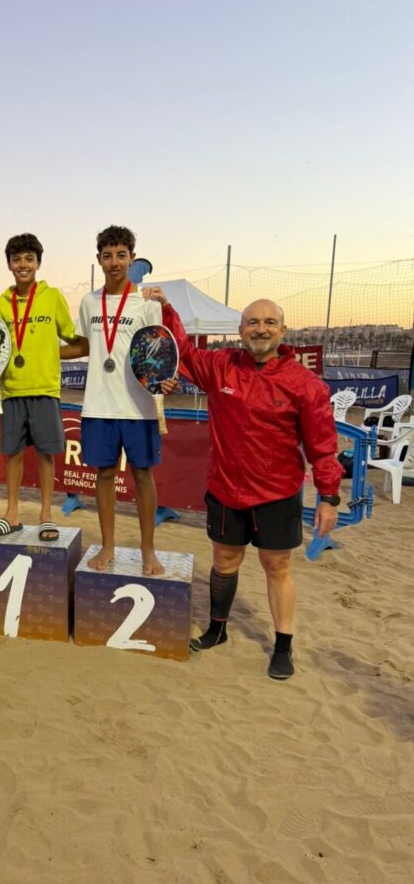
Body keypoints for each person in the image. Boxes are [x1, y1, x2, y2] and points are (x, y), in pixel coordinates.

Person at [155, 290, 342, 680]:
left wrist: (328, 496)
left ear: (283, 330)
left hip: (277, 492)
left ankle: (283, 646)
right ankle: (217, 629)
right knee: (225, 560)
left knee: (277, 565)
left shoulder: (304, 384)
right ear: (240, 331)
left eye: (269, 322)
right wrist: (165, 308)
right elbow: (184, 354)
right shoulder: (220, 366)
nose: (261, 329)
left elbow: (323, 446)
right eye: (253, 323)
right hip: (225, 487)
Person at [62, 225, 166, 575]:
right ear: (98, 260)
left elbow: (159, 351)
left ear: (132, 259)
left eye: (121, 255)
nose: (114, 262)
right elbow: (85, 346)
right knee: (104, 475)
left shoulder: (148, 304)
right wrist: (46, 350)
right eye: (107, 256)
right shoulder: (89, 301)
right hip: (98, 405)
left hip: (139, 406)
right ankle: (108, 546)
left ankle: (148, 550)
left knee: (143, 476)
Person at [0, 233, 77, 542]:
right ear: (9, 265)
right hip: (12, 389)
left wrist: (53, 353)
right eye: (17, 259)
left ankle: (46, 516)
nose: (23, 264)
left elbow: (72, 339)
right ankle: (11, 514)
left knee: (45, 454)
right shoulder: (0, 303)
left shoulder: (52, 298)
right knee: (13, 454)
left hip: (44, 389)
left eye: (29, 258)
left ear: (38, 263)